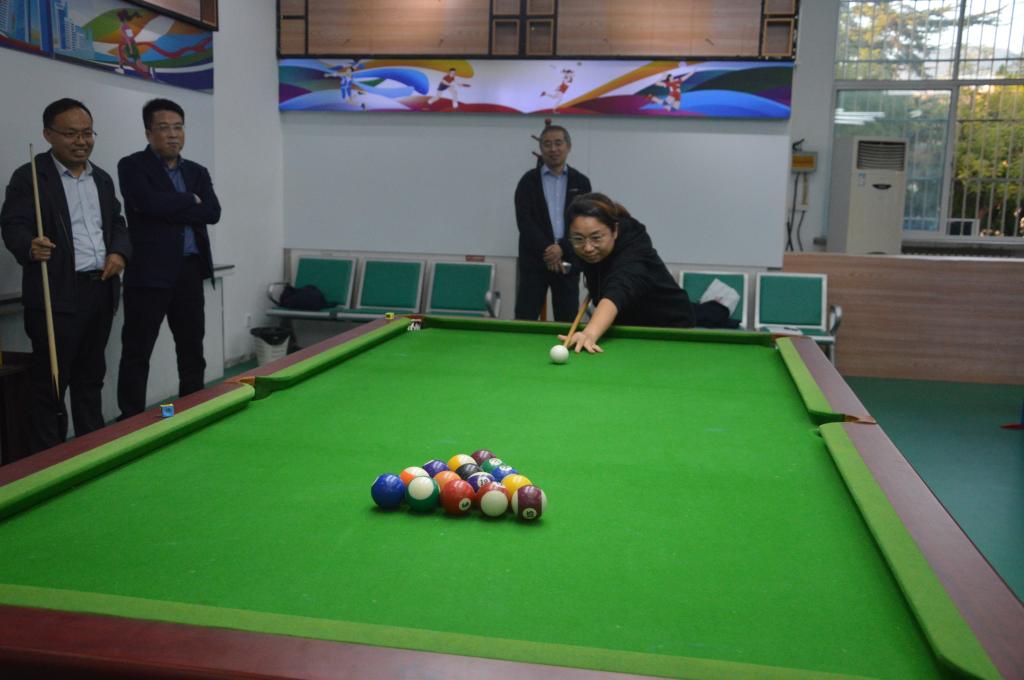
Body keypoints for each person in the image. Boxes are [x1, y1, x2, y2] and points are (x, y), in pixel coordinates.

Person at [0, 98, 131, 452]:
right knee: (51, 385)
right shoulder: (30, 176)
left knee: (91, 378)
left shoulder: (101, 178)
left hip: (100, 290)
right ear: (48, 135)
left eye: (87, 133)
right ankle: (51, 459)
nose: (81, 141)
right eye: (71, 134)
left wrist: (119, 252)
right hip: (55, 295)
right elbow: (13, 224)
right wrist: (30, 245)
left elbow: (117, 223)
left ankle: (93, 451)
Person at [116, 98, 221, 419]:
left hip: (190, 271)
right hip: (148, 274)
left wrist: (167, 208)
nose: (173, 135)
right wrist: (189, 200)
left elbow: (212, 212)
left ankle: (192, 411)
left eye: (178, 127)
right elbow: (146, 204)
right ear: (149, 133)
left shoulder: (196, 171)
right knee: (137, 351)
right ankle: (130, 420)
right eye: (164, 128)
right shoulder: (132, 166)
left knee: (192, 348)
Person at [558, 192, 695, 353]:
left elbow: (618, 289)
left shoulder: (635, 249)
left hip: (668, 327)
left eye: (596, 238)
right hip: (626, 324)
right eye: (578, 239)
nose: (587, 248)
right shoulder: (584, 245)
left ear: (614, 230)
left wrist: (589, 333)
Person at [514, 125, 591, 322]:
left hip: (568, 261)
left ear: (568, 146)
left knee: (566, 321)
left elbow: (585, 223)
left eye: (558, 143)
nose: (553, 149)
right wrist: (549, 249)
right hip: (534, 261)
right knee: (525, 318)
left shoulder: (581, 182)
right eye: (547, 144)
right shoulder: (528, 181)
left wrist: (562, 248)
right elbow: (525, 221)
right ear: (541, 148)